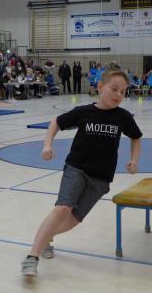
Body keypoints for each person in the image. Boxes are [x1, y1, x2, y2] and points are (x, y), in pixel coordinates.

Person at [21, 68, 143, 277]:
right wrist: (47, 145)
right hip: (76, 168)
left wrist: (134, 160)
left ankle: (47, 237)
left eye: (123, 92)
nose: (119, 95)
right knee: (62, 209)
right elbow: (56, 122)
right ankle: (32, 256)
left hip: (101, 178)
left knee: (73, 220)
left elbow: (136, 137)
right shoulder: (84, 111)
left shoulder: (122, 117)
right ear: (100, 87)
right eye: (114, 89)